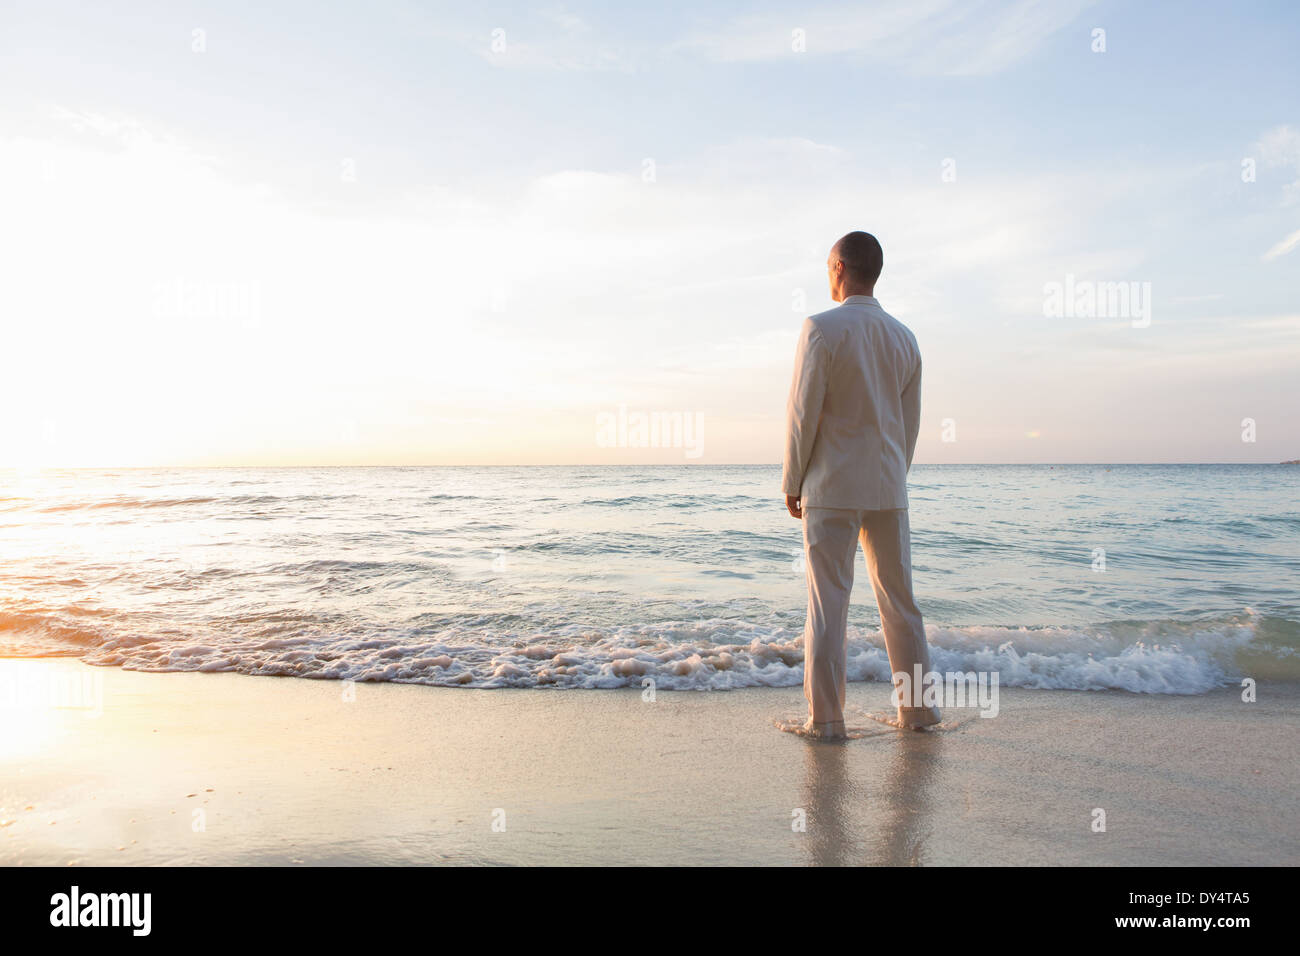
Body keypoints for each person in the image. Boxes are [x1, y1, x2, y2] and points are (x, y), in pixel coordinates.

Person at [782, 231, 940, 738]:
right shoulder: (905, 337)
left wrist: (792, 479)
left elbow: (803, 415)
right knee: (901, 603)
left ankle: (827, 721)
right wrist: (894, 476)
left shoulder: (821, 329)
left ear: (840, 269)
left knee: (828, 605)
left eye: (828, 266)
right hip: (888, 487)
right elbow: (908, 426)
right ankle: (917, 713)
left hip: (831, 487)